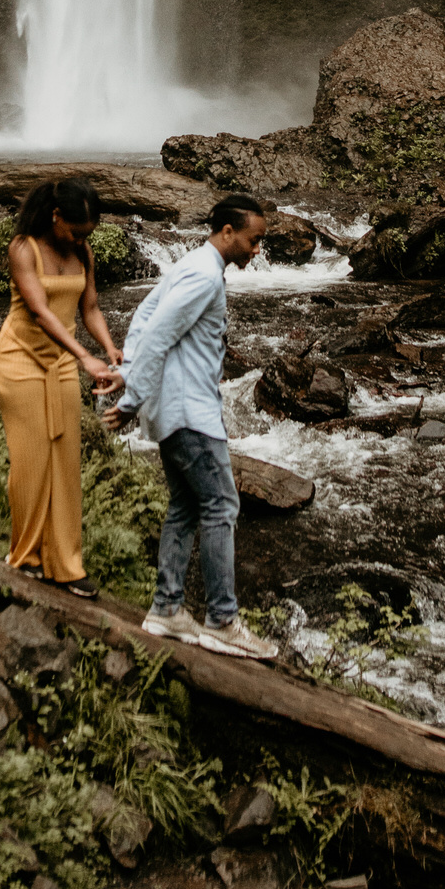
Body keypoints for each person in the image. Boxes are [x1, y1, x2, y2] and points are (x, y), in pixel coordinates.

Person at [103, 196, 278, 661]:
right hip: (189, 410)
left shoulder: (189, 266)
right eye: (253, 239)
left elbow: (142, 318)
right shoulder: (203, 276)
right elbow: (158, 332)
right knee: (221, 505)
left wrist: (132, 379)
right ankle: (222, 620)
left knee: (184, 506)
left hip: (171, 408)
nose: (256, 250)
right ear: (226, 231)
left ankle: (166, 609)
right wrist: (131, 397)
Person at [0, 177, 122, 599]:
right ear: (55, 216)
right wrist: (85, 357)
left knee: (64, 465)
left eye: (88, 233)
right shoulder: (23, 248)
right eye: (75, 230)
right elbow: (41, 311)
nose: (81, 239)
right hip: (20, 362)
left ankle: (65, 565)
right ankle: (25, 560)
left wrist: (109, 347)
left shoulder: (82, 251)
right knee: (31, 462)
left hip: (62, 363)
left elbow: (91, 307)